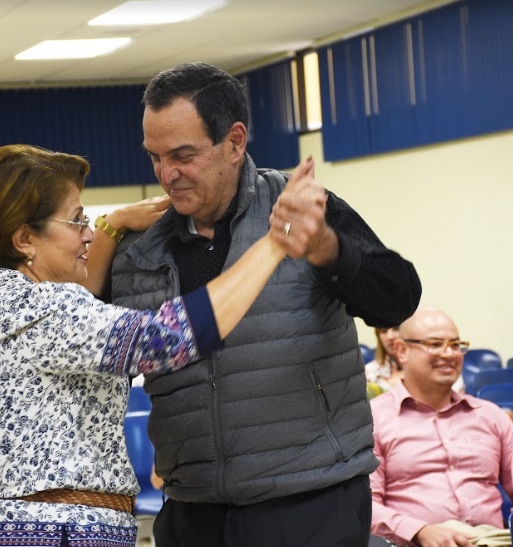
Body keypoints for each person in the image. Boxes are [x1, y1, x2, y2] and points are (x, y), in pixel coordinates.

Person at [106, 62, 422, 546]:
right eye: (155, 157)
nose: (166, 174)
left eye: (183, 155)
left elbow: (398, 300)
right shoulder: (138, 247)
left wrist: (329, 250)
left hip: (312, 501)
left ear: (234, 142)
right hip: (193, 510)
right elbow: (82, 355)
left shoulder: (303, 208)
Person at [0, 143, 311, 547]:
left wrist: (113, 225)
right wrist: (273, 245)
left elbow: (74, 334)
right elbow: (169, 338)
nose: (89, 234)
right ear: (25, 238)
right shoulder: (42, 307)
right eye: (78, 221)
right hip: (52, 534)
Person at [370, 307, 513, 547]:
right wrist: (420, 531)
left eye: (456, 345)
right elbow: (364, 506)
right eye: (435, 344)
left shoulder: (490, 416)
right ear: (402, 351)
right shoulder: (374, 419)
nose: (448, 354)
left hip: (490, 541)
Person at [365, 327, 402, 396]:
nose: (390, 336)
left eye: (396, 328)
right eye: (383, 331)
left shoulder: (425, 367)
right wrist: (389, 385)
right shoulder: (369, 372)